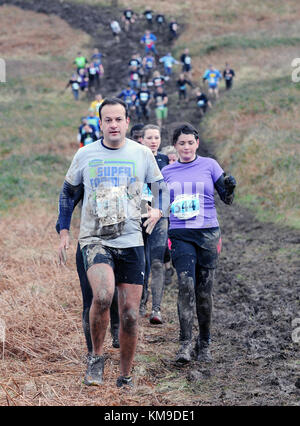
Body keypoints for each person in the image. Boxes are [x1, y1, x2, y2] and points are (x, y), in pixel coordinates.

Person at [58, 98, 167, 387]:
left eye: (118, 119)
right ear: (101, 123)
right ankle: (95, 358)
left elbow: (161, 188)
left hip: (130, 240)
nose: (113, 125)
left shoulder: (142, 153)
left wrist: (158, 209)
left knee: (131, 314)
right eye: (108, 120)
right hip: (95, 239)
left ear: (127, 122)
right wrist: (64, 231)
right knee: (103, 296)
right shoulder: (86, 154)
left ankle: (125, 376)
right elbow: (68, 193)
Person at [161, 123, 236, 364]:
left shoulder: (210, 165)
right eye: (181, 143)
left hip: (207, 234)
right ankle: (184, 344)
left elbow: (227, 199)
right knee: (185, 287)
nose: (186, 147)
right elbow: (156, 206)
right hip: (180, 234)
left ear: (197, 143)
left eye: (190, 142)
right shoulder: (167, 172)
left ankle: (204, 344)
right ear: (175, 146)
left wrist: (229, 186)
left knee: (204, 292)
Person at [55, 188, 120, 354]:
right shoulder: (88, 164)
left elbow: (147, 195)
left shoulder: (131, 165)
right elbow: (68, 195)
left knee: (116, 292)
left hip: (124, 242)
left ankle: (116, 328)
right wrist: (63, 229)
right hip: (91, 241)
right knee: (91, 299)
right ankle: (93, 354)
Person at [139, 125, 169, 323]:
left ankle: (156, 309)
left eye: (156, 137)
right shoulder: (136, 158)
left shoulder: (165, 160)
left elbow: (164, 189)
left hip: (160, 214)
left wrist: (160, 211)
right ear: (141, 139)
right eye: (149, 137)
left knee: (158, 262)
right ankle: (141, 302)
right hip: (140, 212)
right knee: (141, 261)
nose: (153, 141)